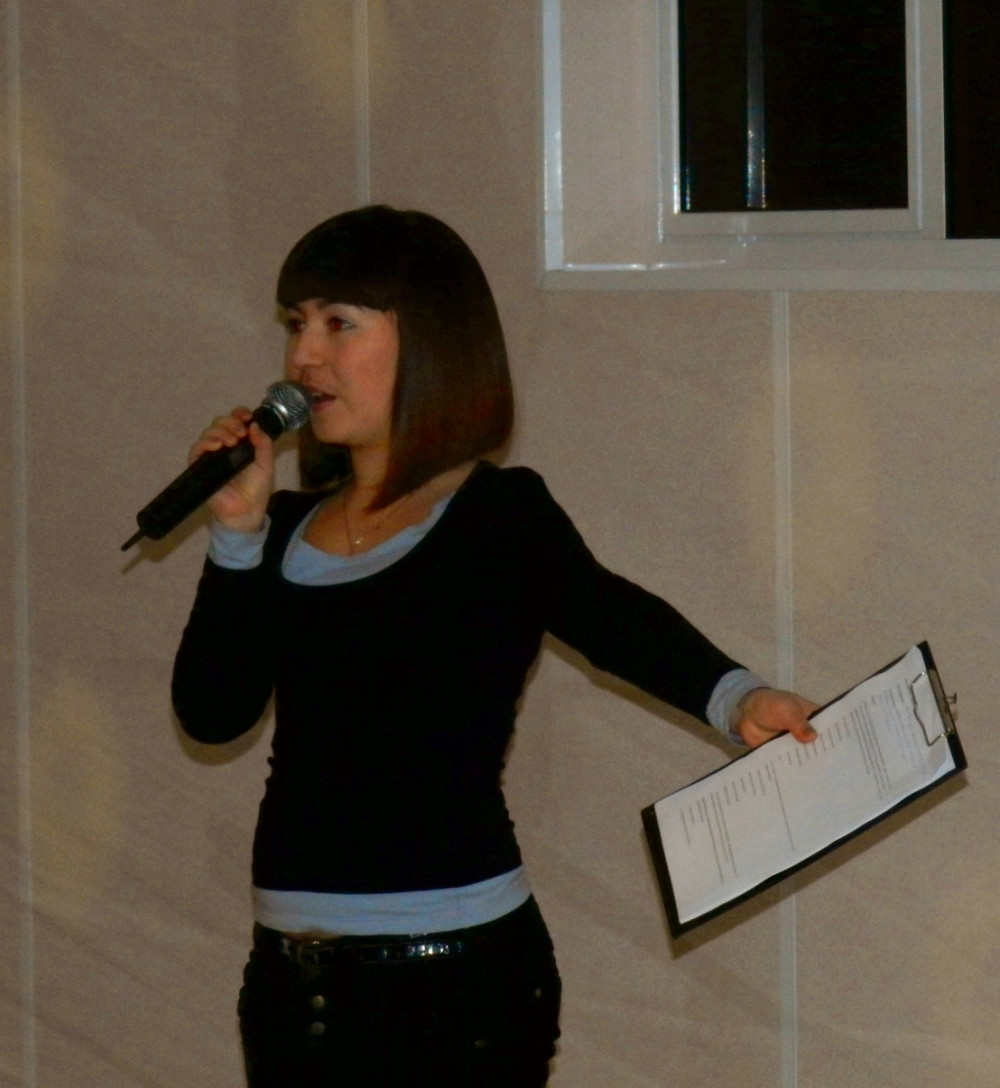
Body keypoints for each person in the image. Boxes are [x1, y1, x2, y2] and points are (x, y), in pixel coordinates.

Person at [171, 204, 818, 1087]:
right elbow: (211, 714)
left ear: (428, 341)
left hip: (457, 985)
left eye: (338, 324)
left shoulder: (496, 516)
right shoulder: (281, 530)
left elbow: (611, 616)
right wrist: (236, 535)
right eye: (296, 324)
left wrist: (739, 697)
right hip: (293, 986)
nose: (303, 358)